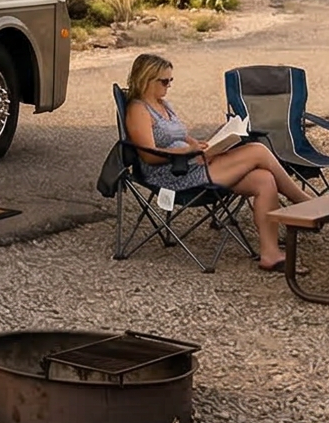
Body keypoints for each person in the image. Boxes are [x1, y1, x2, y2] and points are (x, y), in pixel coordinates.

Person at [121, 52, 308, 270]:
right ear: (146, 79)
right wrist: (189, 152)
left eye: (171, 80)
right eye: (164, 81)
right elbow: (148, 155)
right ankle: (304, 203)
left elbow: (181, 136)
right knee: (257, 150)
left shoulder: (164, 105)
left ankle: (270, 254)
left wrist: (204, 145)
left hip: (192, 162)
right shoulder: (138, 109)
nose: (168, 85)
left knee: (264, 179)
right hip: (173, 174)